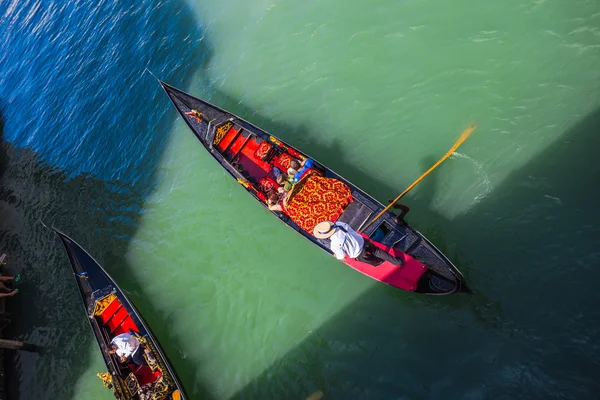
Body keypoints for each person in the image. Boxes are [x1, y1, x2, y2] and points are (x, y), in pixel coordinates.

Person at [313, 221, 404, 267]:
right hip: (362, 241)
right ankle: (398, 262)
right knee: (377, 251)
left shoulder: (334, 244)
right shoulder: (339, 224)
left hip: (359, 253)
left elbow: (343, 257)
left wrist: (336, 255)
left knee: (373, 261)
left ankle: (379, 262)